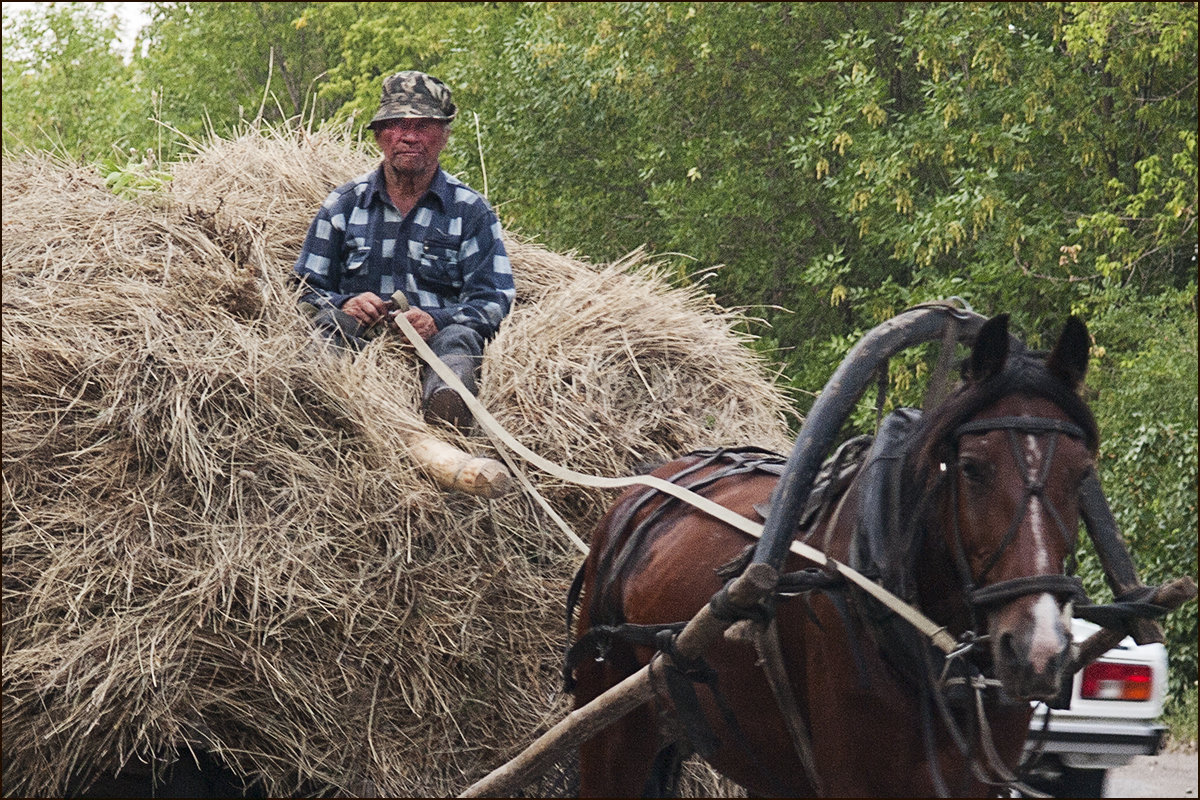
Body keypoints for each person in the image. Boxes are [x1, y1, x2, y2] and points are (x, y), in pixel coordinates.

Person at [293, 70, 514, 429]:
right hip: (358, 345)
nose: (409, 136)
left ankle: (448, 412)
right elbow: (305, 286)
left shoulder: (471, 210)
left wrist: (436, 320)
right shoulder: (344, 205)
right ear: (380, 135)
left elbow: (493, 300)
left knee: (460, 340)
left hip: (437, 348)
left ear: (444, 136)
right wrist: (343, 303)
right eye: (396, 124)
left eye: (423, 126)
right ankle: (317, 409)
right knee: (327, 329)